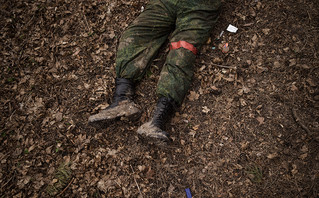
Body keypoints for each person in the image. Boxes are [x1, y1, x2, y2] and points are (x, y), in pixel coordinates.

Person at [89, 0, 221, 145]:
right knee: (134, 35)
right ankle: (121, 100)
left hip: (200, 7)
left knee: (182, 53)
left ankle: (157, 122)